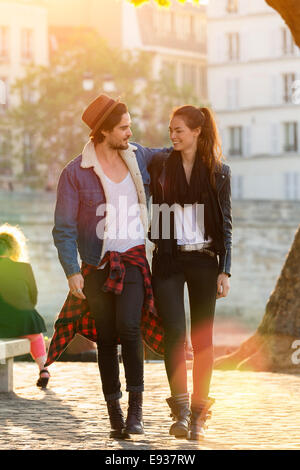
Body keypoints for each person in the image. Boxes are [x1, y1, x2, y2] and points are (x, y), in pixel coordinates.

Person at [47, 94, 168, 439]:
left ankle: (136, 411)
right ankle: (114, 411)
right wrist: (72, 271)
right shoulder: (75, 173)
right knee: (107, 337)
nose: (131, 132)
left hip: (131, 260)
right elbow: (64, 228)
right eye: (124, 127)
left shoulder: (139, 156)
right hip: (96, 265)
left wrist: (199, 141)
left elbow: (174, 156)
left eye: (130, 125)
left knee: (130, 328)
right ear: (102, 131)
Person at [148, 105, 232, 440]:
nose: (173, 136)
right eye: (170, 130)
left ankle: (199, 414)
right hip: (168, 259)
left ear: (197, 131)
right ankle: (180, 413)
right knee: (174, 335)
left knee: (203, 340)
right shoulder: (160, 165)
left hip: (203, 261)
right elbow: (139, 151)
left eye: (179, 130)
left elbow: (225, 224)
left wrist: (225, 270)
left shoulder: (218, 172)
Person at [0, 224, 50, 388]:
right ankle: (43, 369)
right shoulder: (24, 268)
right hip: (24, 320)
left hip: (2, 323)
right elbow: (33, 298)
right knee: (35, 335)